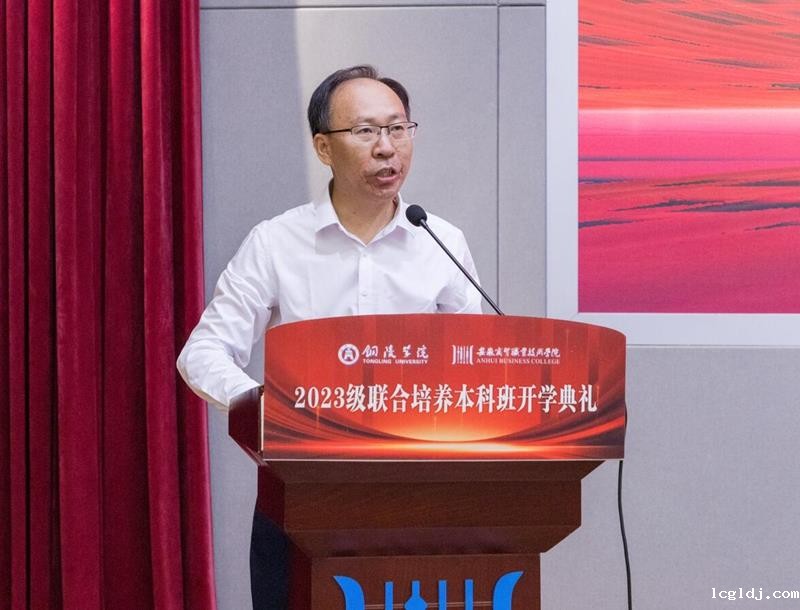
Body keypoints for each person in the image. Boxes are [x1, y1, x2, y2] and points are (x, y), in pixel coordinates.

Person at [177, 65, 483, 609]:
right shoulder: (277, 242)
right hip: (302, 493)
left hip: (417, 495)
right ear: (324, 147)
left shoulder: (440, 240)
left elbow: (474, 360)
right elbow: (202, 352)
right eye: (365, 131)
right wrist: (268, 409)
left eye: (398, 128)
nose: (387, 148)